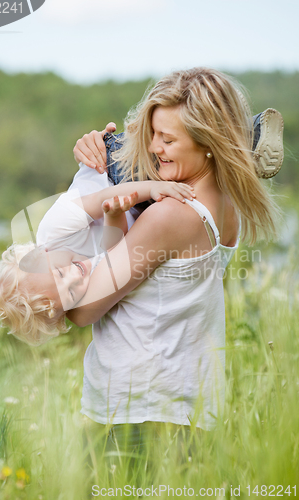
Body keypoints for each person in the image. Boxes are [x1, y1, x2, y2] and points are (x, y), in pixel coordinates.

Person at [67, 67, 281, 439]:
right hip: (188, 408)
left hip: (139, 415)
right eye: (151, 135)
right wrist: (102, 152)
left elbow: (84, 310)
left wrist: (88, 180)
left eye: (167, 139)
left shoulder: (170, 216)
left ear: (208, 141)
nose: (153, 147)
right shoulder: (226, 205)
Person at [0, 171, 194, 347]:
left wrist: (153, 188)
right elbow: (115, 248)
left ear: (41, 253)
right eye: (70, 292)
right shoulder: (83, 292)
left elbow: (103, 197)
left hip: (115, 174)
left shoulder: (54, 229)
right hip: (132, 206)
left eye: (59, 272)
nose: (75, 276)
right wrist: (114, 214)